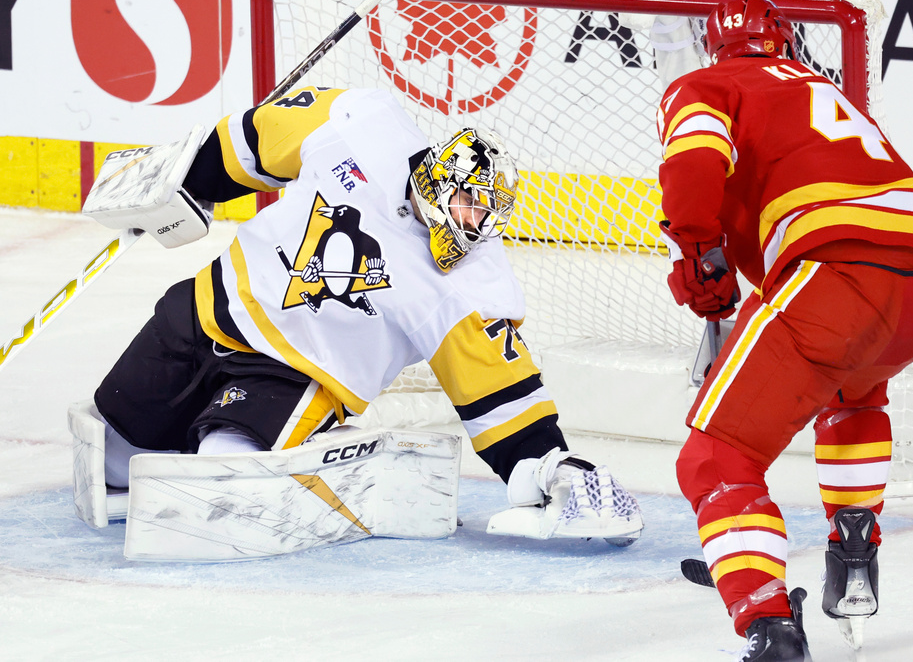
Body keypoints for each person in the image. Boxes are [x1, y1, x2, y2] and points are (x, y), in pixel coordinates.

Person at [81, 85, 642, 546]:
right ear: (440, 180)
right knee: (109, 462)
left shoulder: (468, 285)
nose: (475, 226)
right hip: (209, 308)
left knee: (225, 479)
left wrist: (546, 463)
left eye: (485, 216)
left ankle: (323, 466)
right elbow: (255, 141)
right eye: (469, 206)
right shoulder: (358, 124)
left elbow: (499, 390)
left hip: (298, 375)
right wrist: (185, 180)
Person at [656, 0, 913, 661]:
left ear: (714, 47)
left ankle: (768, 623)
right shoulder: (823, 88)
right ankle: (855, 547)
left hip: (839, 272)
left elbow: (691, 169)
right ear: (786, 42)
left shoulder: (705, 84)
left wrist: (700, 259)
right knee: (853, 387)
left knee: (716, 456)